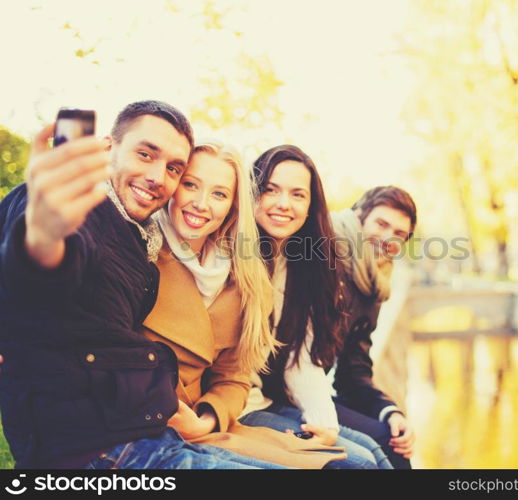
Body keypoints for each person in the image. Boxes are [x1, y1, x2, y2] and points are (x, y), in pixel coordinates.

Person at [0, 101, 289, 469]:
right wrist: (44, 232)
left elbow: (235, 373)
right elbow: (47, 268)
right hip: (95, 449)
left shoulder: (140, 246)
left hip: (145, 430)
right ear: (108, 149)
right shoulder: (80, 213)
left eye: (172, 168)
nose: (157, 177)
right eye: (145, 154)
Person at [140, 139, 347, 468]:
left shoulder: (242, 274)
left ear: (233, 205)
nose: (202, 203)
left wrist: (208, 418)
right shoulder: (142, 250)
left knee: (353, 460)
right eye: (191, 184)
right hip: (153, 425)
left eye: (219, 194)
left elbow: (239, 371)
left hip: (215, 415)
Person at [237, 145, 391, 469]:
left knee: (375, 452)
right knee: (359, 464)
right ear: (251, 192)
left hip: (265, 401)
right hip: (236, 409)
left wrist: (325, 425)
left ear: (310, 205)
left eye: (297, 194)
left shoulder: (298, 264)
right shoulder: (232, 255)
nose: (283, 204)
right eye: (270, 190)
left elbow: (302, 358)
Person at [331, 186, 418, 469]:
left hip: (308, 392)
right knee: (375, 453)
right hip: (275, 395)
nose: (387, 238)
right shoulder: (320, 255)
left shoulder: (373, 283)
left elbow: (353, 370)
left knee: (393, 436)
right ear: (359, 216)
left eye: (399, 234)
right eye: (381, 224)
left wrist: (389, 411)